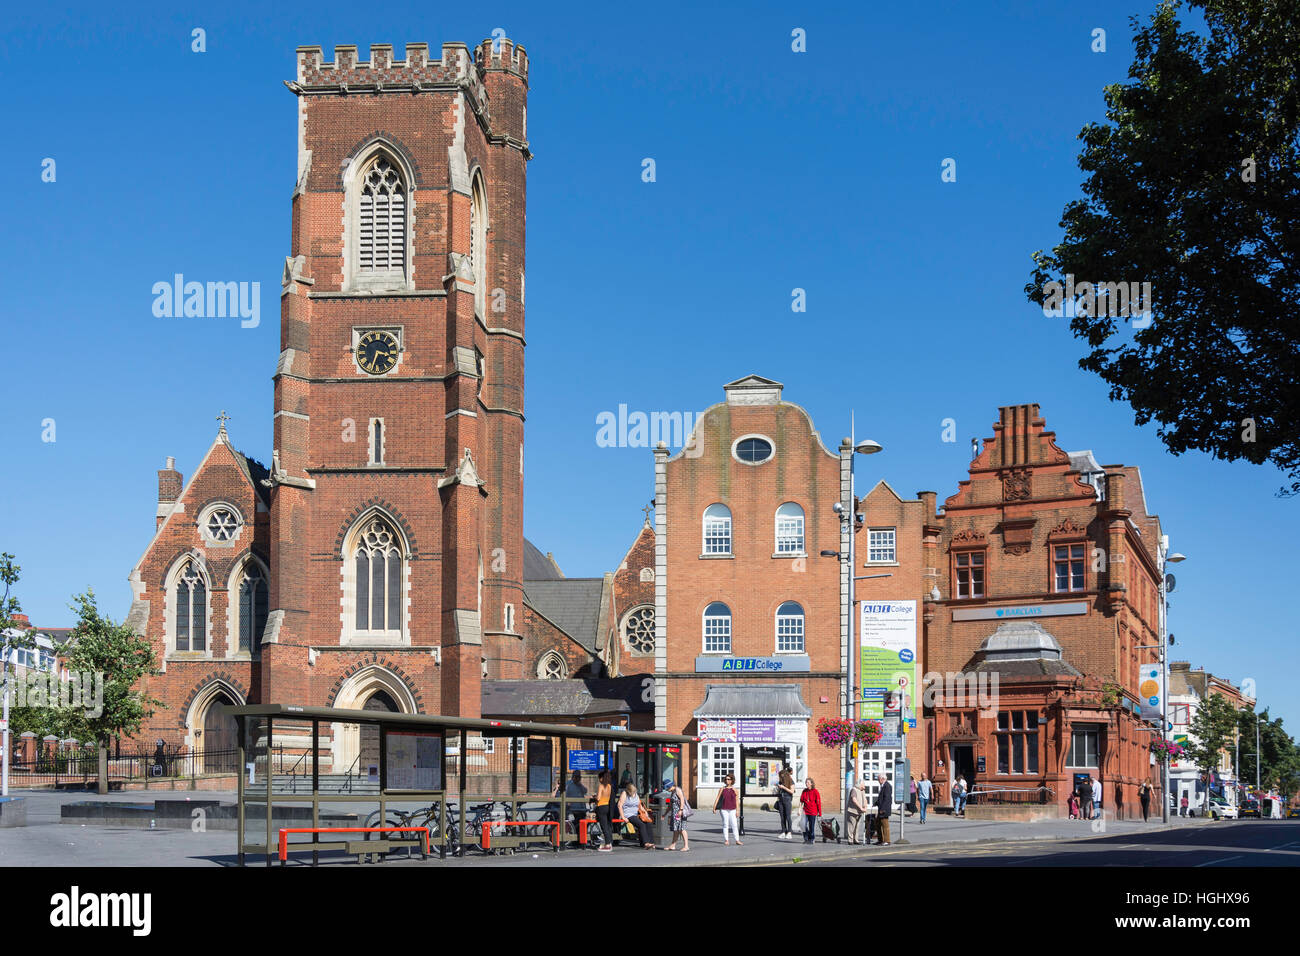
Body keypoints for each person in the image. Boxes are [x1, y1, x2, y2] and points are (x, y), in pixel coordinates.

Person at [618, 782, 656, 849]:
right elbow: (619, 805)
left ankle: (651, 842)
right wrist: (623, 817)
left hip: (636, 813)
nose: (633, 793)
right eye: (632, 792)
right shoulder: (624, 794)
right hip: (628, 814)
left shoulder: (636, 794)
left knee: (648, 823)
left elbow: (638, 804)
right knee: (641, 825)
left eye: (634, 791)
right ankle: (646, 843)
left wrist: (644, 811)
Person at [713, 774, 742, 845]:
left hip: (733, 809)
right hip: (723, 809)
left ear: (732, 780)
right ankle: (726, 840)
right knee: (725, 824)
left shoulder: (735, 790)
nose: (727, 781)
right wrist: (714, 807)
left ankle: (737, 840)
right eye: (726, 779)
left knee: (734, 825)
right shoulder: (722, 789)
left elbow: (737, 801)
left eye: (728, 779)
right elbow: (717, 798)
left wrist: (738, 811)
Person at [663, 777, 690, 851]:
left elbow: (682, 800)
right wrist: (665, 814)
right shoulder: (672, 792)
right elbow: (670, 805)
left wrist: (680, 810)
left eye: (666, 788)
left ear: (669, 786)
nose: (666, 790)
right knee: (676, 829)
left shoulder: (677, 790)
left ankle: (686, 846)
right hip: (675, 813)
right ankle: (673, 845)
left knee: (682, 829)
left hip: (679, 813)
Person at [563, 770, 588, 846]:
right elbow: (565, 794)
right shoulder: (569, 784)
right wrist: (568, 803)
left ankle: (579, 840)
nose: (578, 779)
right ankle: (575, 839)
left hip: (581, 807)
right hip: (573, 808)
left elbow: (585, 791)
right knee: (576, 823)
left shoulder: (579, 785)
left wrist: (580, 784)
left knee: (582, 822)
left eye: (579, 777)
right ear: (573, 777)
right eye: (577, 777)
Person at [594, 770, 615, 851]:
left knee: (604, 826)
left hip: (601, 807)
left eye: (599, 778)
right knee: (607, 825)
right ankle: (609, 843)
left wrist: (594, 797)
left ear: (602, 778)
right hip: (607, 806)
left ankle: (608, 844)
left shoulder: (601, 786)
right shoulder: (609, 786)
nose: (599, 780)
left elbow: (598, 798)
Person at [775, 763, 796, 840]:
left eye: (782, 776)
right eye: (780, 776)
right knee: (782, 817)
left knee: (788, 816)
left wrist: (783, 787)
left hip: (787, 800)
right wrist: (778, 788)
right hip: (781, 800)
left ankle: (789, 832)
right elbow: (779, 791)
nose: (781, 777)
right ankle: (783, 831)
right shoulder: (781, 782)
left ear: (786, 775)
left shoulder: (791, 781)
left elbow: (792, 791)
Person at [846, 778, 869, 844]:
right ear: (860, 784)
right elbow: (854, 799)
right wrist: (861, 808)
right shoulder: (854, 789)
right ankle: (850, 840)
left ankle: (856, 839)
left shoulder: (862, 790)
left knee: (857, 826)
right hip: (853, 811)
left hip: (859, 812)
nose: (864, 786)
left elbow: (865, 799)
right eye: (863, 784)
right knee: (851, 826)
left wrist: (865, 806)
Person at [799, 778, 821, 844]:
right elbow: (801, 801)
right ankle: (806, 838)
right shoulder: (804, 791)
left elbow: (818, 803)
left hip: (813, 812)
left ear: (811, 783)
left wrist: (820, 813)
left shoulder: (815, 791)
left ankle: (812, 838)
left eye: (808, 782)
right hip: (805, 811)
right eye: (806, 782)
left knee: (811, 826)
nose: (806, 784)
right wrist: (799, 810)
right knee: (803, 825)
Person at [874, 773, 893, 845]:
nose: (878, 780)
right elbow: (881, 798)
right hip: (881, 808)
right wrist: (876, 803)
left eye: (878, 779)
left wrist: (883, 809)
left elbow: (887, 799)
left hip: (884, 809)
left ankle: (887, 841)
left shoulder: (887, 786)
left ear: (882, 779)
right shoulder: (883, 786)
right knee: (878, 824)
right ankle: (880, 840)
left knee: (885, 825)